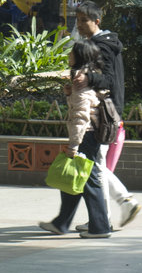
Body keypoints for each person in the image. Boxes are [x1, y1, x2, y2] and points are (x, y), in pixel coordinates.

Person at [74, 0, 141, 229]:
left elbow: (109, 81)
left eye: (85, 20)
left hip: (104, 112)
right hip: (106, 110)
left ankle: (114, 210)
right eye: (78, 20)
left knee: (95, 167)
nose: (80, 25)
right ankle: (106, 216)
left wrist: (87, 79)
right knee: (97, 165)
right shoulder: (101, 43)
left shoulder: (102, 46)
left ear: (97, 21)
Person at [39, 39, 112, 238]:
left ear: (79, 57)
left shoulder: (82, 82)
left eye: (71, 52)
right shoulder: (87, 79)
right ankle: (62, 223)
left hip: (86, 136)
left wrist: (73, 145)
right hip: (90, 136)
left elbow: (81, 117)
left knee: (87, 181)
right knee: (74, 179)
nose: (68, 55)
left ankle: (100, 227)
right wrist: (70, 94)